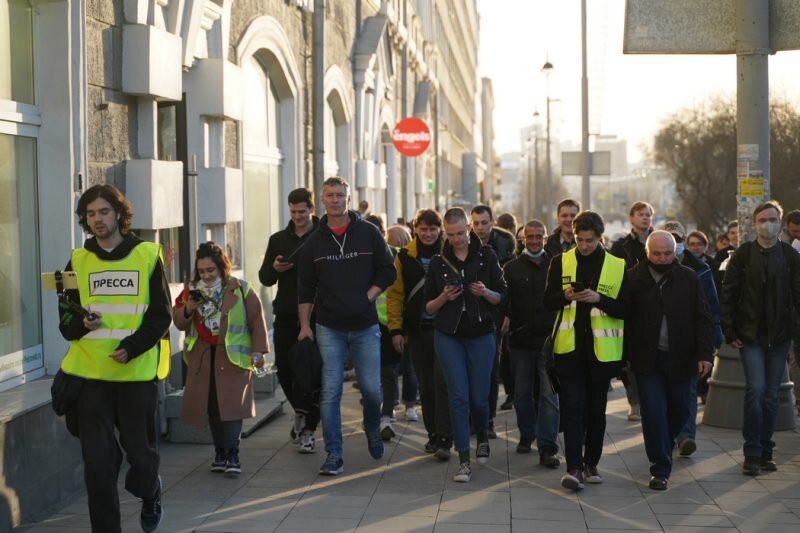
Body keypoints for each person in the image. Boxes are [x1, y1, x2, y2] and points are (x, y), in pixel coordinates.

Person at [57, 184, 171, 533]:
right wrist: (81, 323)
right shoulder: (77, 261)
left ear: (119, 213)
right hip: (90, 377)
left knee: (142, 457)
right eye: (90, 213)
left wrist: (133, 346)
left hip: (135, 374)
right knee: (98, 466)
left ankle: (150, 491)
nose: (97, 219)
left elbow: (161, 316)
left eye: (103, 211)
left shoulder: (147, 255)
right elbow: (65, 321)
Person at [297, 176, 397, 476]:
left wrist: (367, 297)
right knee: (330, 392)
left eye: (340, 195)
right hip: (329, 327)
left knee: (372, 390)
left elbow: (388, 270)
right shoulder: (313, 242)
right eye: (330, 195)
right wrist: (304, 326)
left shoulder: (368, 233)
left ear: (348, 199)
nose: (335, 200)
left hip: (365, 326)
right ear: (322, 200)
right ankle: (334, 454)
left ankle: (371, 427)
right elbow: (305, 288)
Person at [544, 211, 628, 491]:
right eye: (579, 240)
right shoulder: (560, 262)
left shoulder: (617, 265)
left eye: (589, 240)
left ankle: (591, 463)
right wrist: (565, 296)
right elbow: (548, 301)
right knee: (571, 409)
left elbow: (626, 309)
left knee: (596, 412)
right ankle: (574, 467)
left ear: (600, 237)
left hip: (601, 353)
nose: (583, 245)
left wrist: (599, 299)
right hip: (568, 350)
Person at [625, 231, 713, 490]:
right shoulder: (633, 278)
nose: (662, 258)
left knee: (681, 410)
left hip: (682, 357)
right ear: (647, 253)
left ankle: (665, 441)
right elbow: (624, 318)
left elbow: (703, 317)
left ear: (675, 252)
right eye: (656, 254)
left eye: (667, 253)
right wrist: (624, 358)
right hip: (647, 360)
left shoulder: (688, 277)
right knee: (653, 412)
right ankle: (660, 467)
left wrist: (705, 354)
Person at [424, 207, 506, 482]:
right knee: (458, 396)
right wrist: (444, 297)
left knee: (478, 399)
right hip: (448, 336)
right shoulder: (438, 262)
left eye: (460, 233)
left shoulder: (486, 256)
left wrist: (485, 292)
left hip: (481, 334)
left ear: (469, 229)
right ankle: (463, 460)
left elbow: (502, 297)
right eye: (450, 235)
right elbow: (428, 307)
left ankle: (481, 435)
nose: (456, 239)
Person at [173, 242, 269, 473]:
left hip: (233, 358)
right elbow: (179, 322)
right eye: (201, 271)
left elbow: (257, 321)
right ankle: (220, 452)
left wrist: (259, 351)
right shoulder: (190, 291)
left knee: (232, 407)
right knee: (213, 407)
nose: (206, 276)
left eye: (211, 270)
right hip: (203, 358)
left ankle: (233, 454)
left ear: (221, 267)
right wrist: (188, 307)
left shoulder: (241, 288)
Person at [720, 200, 800, 476]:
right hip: (750, 336)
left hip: (779, 336)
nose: (768, 224)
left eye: (773, 219)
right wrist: (730, 331)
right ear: (754, 224)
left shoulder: (790, 256)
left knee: (771, 394)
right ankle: (752, 451)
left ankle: (766, 449)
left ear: (781, 223)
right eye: (763, 219)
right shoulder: (743, 255)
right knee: (756, 390)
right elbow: (729, 294)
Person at [387, 209, 453, 458]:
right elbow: (395, 296)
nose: (428, 234)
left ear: (440, 230)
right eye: (423, 229)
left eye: (433, 229)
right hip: (418, 332)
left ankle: (445, 437)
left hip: (447, 331)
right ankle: (433, 434)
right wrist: (396, 329)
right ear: (415, 230)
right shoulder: (404, 257)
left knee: (444, 383)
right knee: (426, 386)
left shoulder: (450, 253)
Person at [259, 188, 320, 453]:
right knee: (284, 370)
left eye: (302, 212)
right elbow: (264, 278)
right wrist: (275, 268)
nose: (297, 217)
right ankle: (301, 411)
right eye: (293, 212)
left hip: (317, 315)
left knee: (314, 375)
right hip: (285, 314)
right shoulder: (278, 239)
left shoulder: (323, 235)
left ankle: (308, 431)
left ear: (311, 209)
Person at [501, 219, 560, 467]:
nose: (535, 241)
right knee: (522, 393)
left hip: (550, 341)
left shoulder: (556, 264)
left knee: (549, 395)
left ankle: (548, 447)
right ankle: (527, 433)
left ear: (545, 239)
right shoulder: (511, 268)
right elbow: (505, 301)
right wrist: (506, 322)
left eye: (539, 236)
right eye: (530, 237)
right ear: (522, 239)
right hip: (521, 340)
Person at [662, 222, 722, 457]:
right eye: (670, 237)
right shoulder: (649, 266)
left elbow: (711, 307)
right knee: (664, 394)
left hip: (690, 341)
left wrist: (713, 338)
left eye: (678, 239)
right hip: (661, 342)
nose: (674, 243)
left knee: (687, 391)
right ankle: (667, 434)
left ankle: (686, 436)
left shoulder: (700, 269)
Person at [470, 205, 515, 436]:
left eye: (484, 223)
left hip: (495, 313)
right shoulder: (463, 242)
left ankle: (488, 419)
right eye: (476, 223)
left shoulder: (505, 244)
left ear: (492, 222)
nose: (480, 228)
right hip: (469, 313)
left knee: (490, 368)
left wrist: (508, 314)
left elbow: (511, 284)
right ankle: (473, 418)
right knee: (469, 369)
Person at [610, 201, 654, 422]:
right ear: (631, 218)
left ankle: (649, 400)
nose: (645, 218)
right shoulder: (622, 246)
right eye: (640, 214)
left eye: (648, 214)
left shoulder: (660, 241)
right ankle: (634, 403)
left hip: (654, 305)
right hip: (629, 306)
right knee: (628, 361)